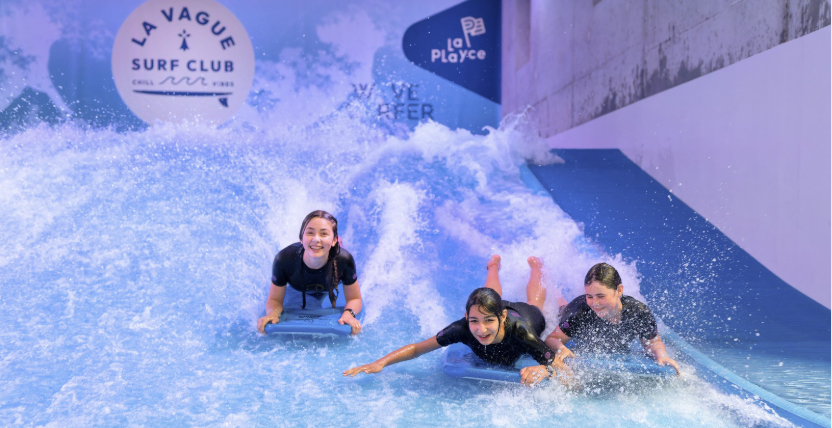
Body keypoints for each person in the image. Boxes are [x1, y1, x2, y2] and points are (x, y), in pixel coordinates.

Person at [343, 255, 568, 386]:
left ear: (503, 316)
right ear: (465, 317)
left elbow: (555, 363)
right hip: (490, 306)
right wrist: (380, 362)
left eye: (488, 321)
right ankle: (493, 265)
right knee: (487, 294)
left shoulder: (521, 332)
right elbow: (416, 349)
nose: (480, 329)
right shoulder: (462, 329)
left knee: (535, 303)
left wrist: (544, 369)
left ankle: (537, 267)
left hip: (526, 316)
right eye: (474, 321)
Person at [544, 262, 680, 375]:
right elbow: (552, 339)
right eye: (589, 296)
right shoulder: (580, 312)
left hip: (578, 309)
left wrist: (661, 355)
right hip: (570, 310)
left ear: (619, 291)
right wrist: (561, 348)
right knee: (552, 307)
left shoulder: (638, 312)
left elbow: (652, 342)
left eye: (601, 296)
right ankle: (539, 271)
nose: (595, 303)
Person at [256, 210, 363, 335]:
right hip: (296, 284)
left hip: (333, 267)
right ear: (301, 238)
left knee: (336, 255)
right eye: (310, 233)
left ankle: (338, 242)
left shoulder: (344, 261)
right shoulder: (284, 259)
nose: (316, 239)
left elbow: (355, 298)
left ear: (334, 240)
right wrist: (272, 312)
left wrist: (348, 314)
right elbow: (274, 299)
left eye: (323, 234)